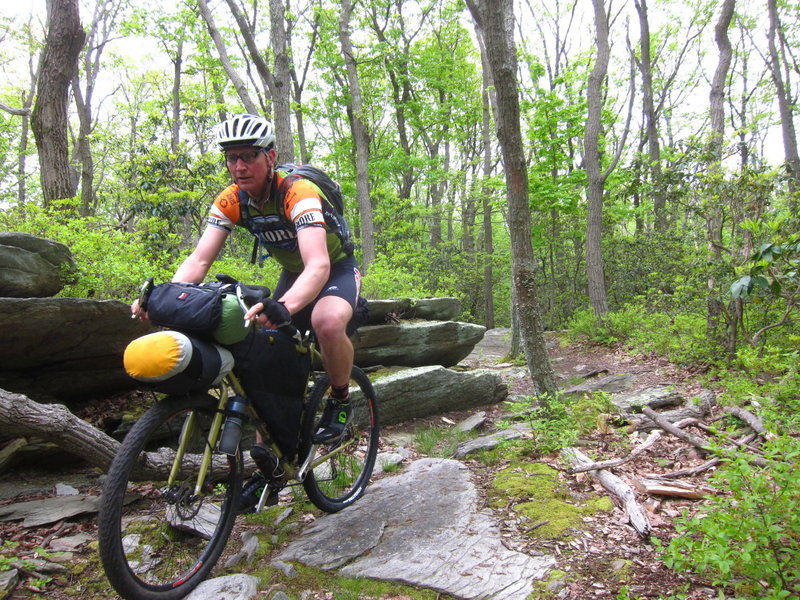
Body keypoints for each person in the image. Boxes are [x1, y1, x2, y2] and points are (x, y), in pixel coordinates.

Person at [132, 113, 361, 503]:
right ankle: (270, 465)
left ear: (270, 157)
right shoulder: (231, 199)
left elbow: (319, 264)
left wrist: (286, 306)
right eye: (232, 157)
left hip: (334, 269)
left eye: (249, 156)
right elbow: (200, 260)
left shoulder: (297, 192)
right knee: (264, 360)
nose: (239, 166)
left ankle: (340, 400)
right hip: (293, 273)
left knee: (325, 320)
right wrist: (165, 297)